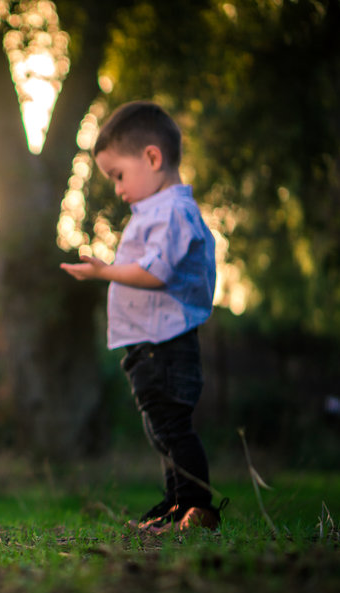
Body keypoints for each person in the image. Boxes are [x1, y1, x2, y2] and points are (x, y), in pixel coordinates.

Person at [60, 100, 224, 533]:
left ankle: (197, 507)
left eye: (118, 175)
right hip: (150, 345)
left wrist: (103, 271)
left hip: (166, 346)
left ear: (152, 158)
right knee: (162, 430)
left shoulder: (173, 212)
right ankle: (177, 505)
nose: (116, 188)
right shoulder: (155, 211)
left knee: (173, 427)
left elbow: (156, 272)